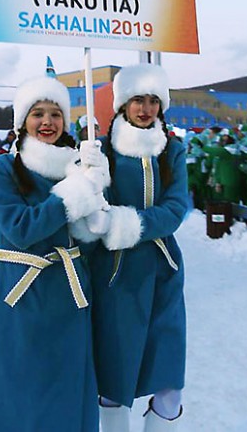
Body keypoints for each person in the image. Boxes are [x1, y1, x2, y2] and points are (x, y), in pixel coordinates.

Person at [0, 75, 108, 432]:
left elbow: (90, 235)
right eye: (37, 113)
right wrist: (74, 193)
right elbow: (20, 229)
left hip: (69, 294)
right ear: (22, 122)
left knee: (64, 389)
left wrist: (97, 186)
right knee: (17, 389)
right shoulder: (0, 169)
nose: (47, 121)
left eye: (55, 114)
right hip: (20, 293)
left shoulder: (74, 168)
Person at [86, 63, 189, 431]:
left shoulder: (171, 150)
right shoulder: (104, 152)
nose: (145, 109)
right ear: (122, 105)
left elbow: (177, 208)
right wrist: (90, 185)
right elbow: (93, 213)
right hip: (116, 276)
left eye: (152, 101)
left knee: (169, 383)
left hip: (163, 272)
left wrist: (126, 224)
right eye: (136, 100)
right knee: (115, 380)